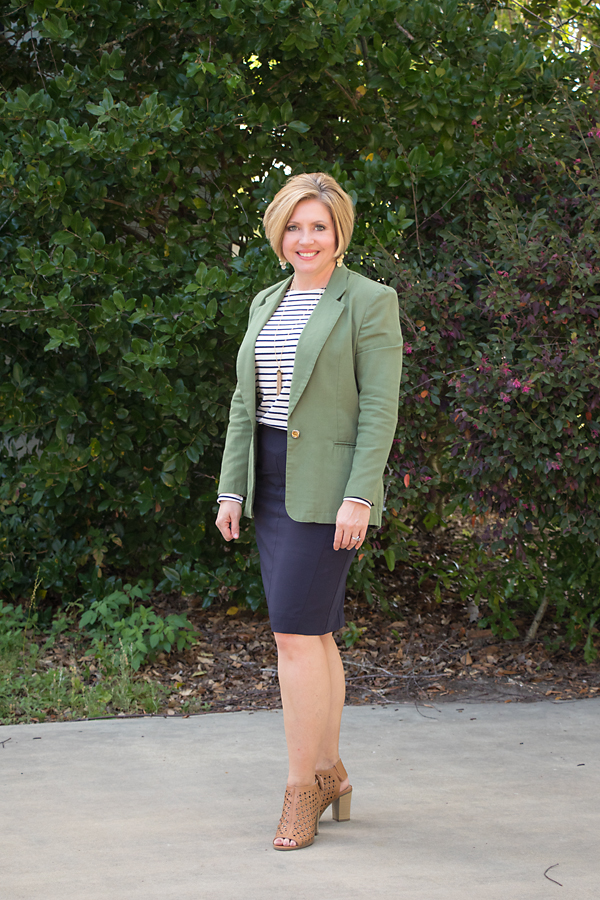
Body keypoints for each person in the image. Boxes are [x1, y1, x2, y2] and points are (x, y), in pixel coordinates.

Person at [215, 172, 403, 850]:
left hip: (328, 487)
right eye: (294, 227)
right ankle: (330, 772)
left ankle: (302, 790)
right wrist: (230, 488)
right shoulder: (267, 299)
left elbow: (380, 406)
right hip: (269, 481)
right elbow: (246, 402)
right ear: (278, 233)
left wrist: (361, 493)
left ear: (339, 232)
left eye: (318, 227)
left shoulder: (369, 300)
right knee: (314, 633)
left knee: (294, 636)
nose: (305, 238)